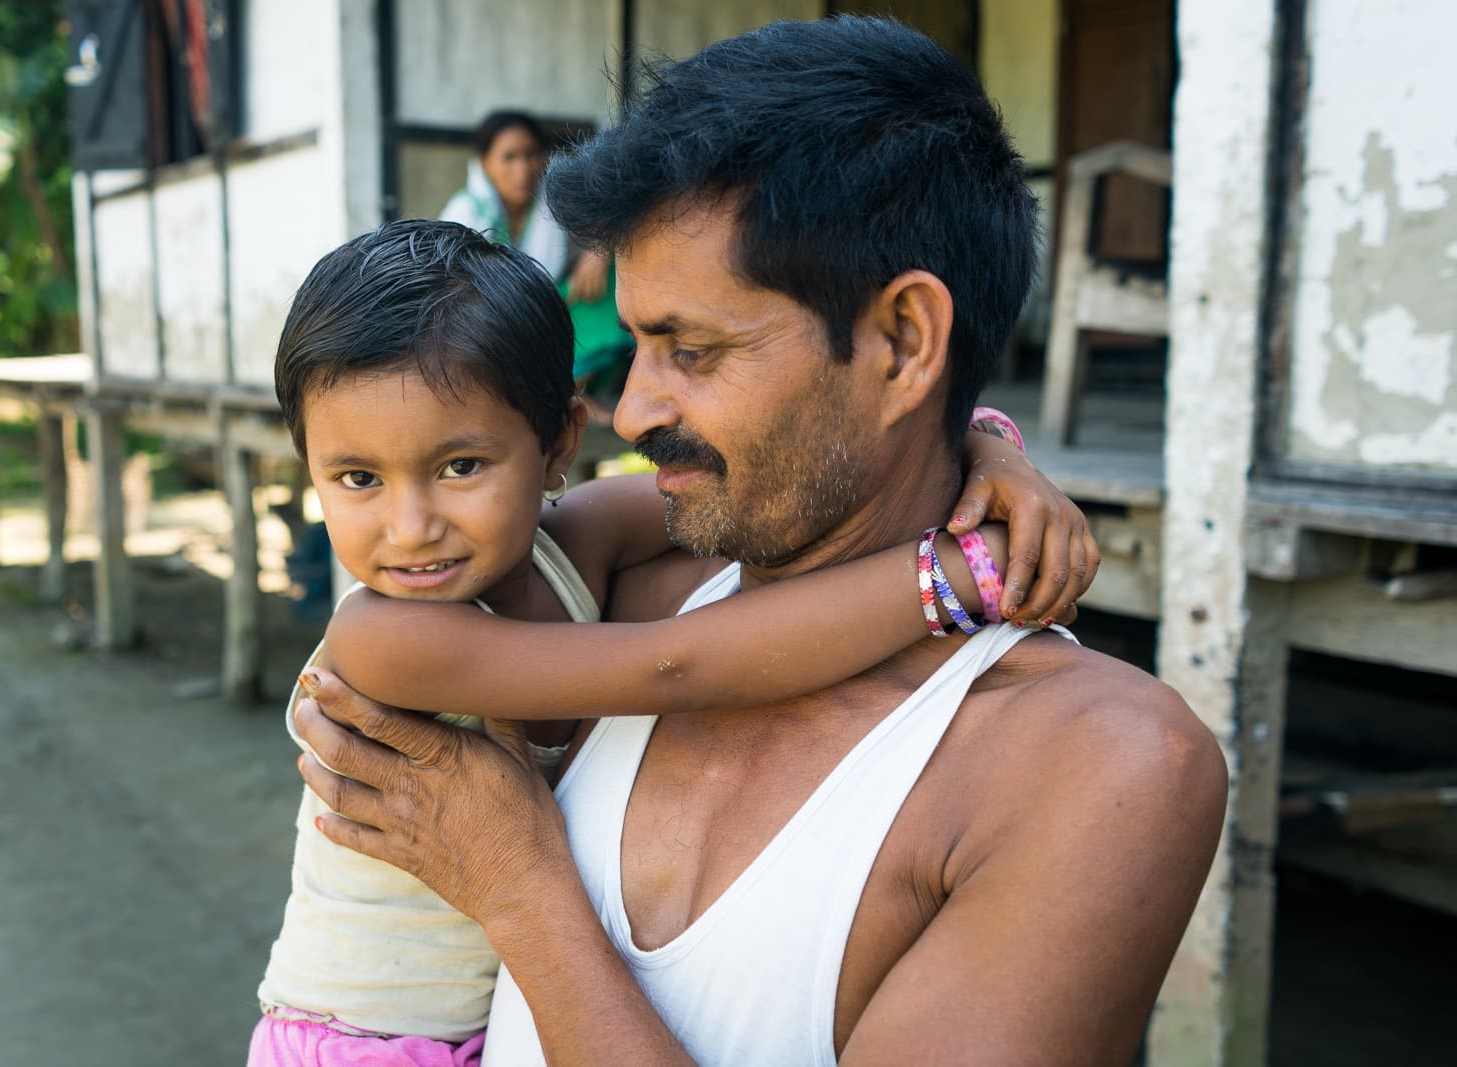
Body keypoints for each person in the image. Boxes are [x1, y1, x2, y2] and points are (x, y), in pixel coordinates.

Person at [293, 17, 1228, 1067]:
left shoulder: (1091, 767)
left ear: (903, 342)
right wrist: (982, 453)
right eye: (639, 343)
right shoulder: (624, 599)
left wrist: (523, 893)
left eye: (690, 348)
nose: (636, 408)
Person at [248, 217, 1096, 1067]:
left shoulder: (572, 543)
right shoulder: (382, 636)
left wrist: (985, 447)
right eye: (357, 478)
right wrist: (957, 574)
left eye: (461, 466)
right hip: (356, 1043)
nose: (410, 525)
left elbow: (749, 494)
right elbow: (682, 663)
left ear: (558, 448)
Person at [439, 111, 628, 404]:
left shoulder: (552, 201)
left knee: (615, 276)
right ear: (484, 163)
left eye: (531, 155)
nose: (523, 169)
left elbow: (607, 218)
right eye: (509, 157)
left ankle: (569, 394)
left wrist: (598, 252)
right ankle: (550, 399)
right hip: (491, 329)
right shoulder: (464, 213)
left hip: (550, 311)